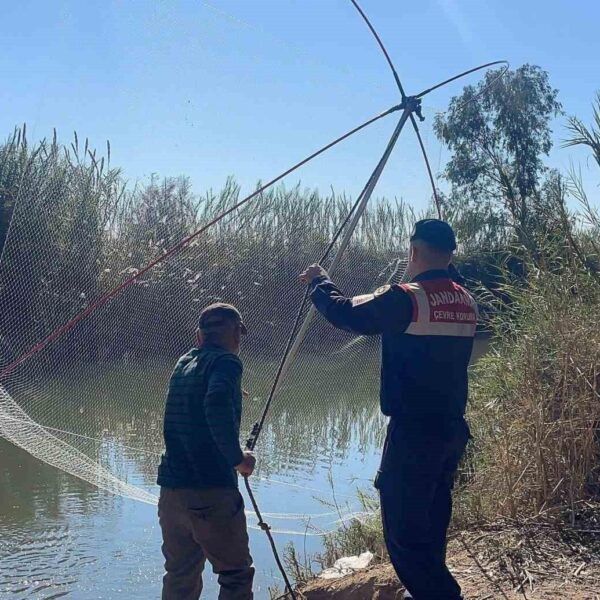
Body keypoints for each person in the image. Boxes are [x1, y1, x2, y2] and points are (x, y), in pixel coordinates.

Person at [300, 219, 477, 600]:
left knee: (403, 535)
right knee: (431, 520)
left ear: (413, 251)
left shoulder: (407, 298)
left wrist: (319, 282)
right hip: (451, 430)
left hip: (415, 432)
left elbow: (347, 313)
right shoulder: (466, 299)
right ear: (450, 255)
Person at [157, 303, 256, 600]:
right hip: (210, 490)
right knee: (235, 575)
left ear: (199, 337)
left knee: (180, 575)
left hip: (171, 493)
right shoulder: (228, 362)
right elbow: (214, 404)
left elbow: (200, 401)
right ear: (237, 335)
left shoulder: (183, 361)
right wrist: (239, 459)